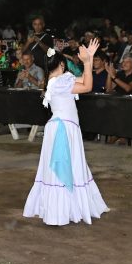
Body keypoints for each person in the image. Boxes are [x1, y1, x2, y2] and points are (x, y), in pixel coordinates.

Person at [23, 40, 108, 225]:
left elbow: (84, 81)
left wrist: (89, 60)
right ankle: (60, 211)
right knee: (65, 166)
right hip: (64, 128)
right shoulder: (59, 82)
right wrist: (87, 62)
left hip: (62, 127)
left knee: (69, 165)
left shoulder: (55, 81)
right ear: (61, 64)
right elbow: (87, 86)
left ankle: (65, 207)